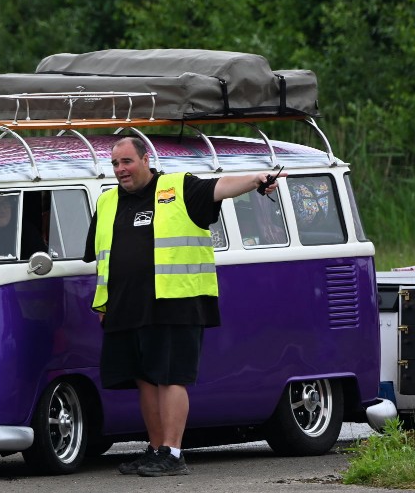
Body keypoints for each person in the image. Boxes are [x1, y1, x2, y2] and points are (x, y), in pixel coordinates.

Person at [84, 136, 282, 476]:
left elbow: (219, 188)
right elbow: (102, 258)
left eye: (127, 162)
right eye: (115, 164)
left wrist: (255, 180)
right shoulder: (106, 202)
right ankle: (157, 449)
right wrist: (103, 304)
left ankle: (174, 454)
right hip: (125, 307)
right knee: (145, 380)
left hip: (176, 301)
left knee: (170, 378)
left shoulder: (178, 187)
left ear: (146, 160)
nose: (120, 170)